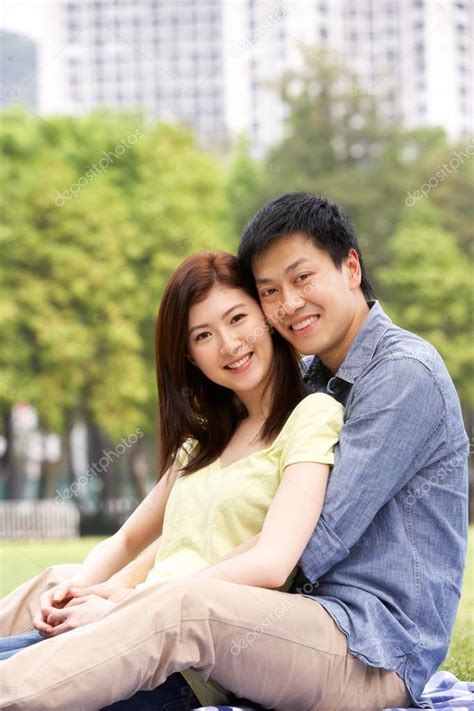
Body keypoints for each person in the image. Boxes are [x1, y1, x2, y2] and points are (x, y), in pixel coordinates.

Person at [1, 192, 467, 711]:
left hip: (369, 648)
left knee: (180, 606)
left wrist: (132, 602)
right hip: (284, 623)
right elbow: (198, 527)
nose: (289, 304)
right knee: (64, 583)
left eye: (302, 278)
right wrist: (117, 586)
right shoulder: (309, 382)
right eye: (270, 290)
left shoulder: (402, 375)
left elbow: (308, 541)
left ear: (351, 266)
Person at [0, 251, 348, 710]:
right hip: (120, 631)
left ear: (265, 317)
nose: (229, 345)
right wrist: (77, 592)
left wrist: (130, 608)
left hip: (182, 666)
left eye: (238, 318)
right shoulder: (198, 445)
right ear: (189, 355)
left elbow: (273, 561)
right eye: (204, 335)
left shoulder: (311, 416)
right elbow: (126, 540)